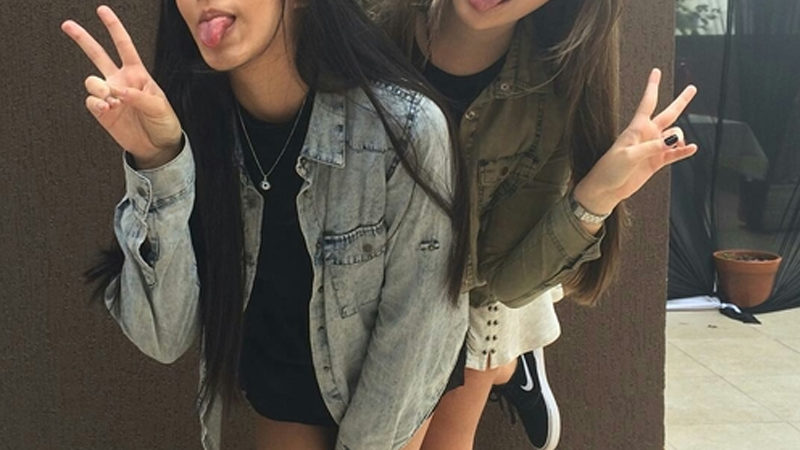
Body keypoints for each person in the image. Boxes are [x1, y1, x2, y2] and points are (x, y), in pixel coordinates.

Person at [61, 2, 471, 449]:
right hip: (286, 385)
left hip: (393, 388)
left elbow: (413, 337)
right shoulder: (186, 123)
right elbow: (164, 337)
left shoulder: (404, 129)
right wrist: (158, 164)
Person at [369, 1, 698, 449]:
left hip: (467, 293)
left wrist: (597, 196)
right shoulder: (362, 29)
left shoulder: (547, 98)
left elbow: (500, 283)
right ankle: (509, 363)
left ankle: (506, 360)